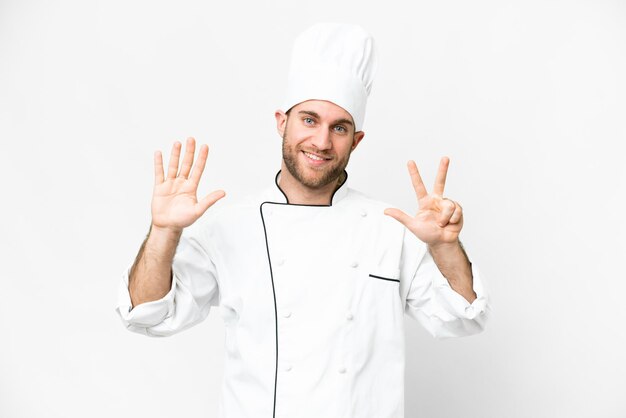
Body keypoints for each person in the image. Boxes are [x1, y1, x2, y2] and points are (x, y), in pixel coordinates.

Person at [116, 23, 491, 418]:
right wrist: (163, 232)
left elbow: (464, 317)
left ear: (356, 140)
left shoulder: (391, 230)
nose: (322, 142)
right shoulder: (228, 227)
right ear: (282, 122)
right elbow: (147, 313)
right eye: (309, 120)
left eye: (339, 128)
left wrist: (446, 247)